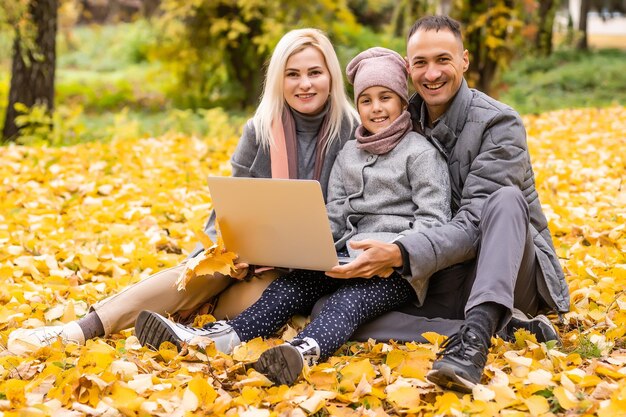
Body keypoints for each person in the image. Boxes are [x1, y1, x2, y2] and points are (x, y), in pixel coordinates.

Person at [7, 28, 358, 353]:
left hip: (303, 274)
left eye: (315, 72)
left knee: (254, 302)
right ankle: (78, 330)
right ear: (279, 80)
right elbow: (226, 209)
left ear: (331, 76)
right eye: (292, 74)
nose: (305, 84)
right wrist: (228, 252)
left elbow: (356, 213)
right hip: (246, 258)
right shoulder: (260, 131)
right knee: (198, 273)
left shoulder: (352, 133)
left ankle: (181, 321)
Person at [134, 47, 452, 386]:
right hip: (345, 258)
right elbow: (337, 212)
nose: (376, 108)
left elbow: (433, 222)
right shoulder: (350, 153)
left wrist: (395, 254)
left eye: (385, 98)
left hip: (394, 271)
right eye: (366, 100)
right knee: (289, 288)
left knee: (347, 302)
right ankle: (215, 338)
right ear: (358, 106)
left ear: (403, 101)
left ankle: (302, 351)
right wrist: (305, 246)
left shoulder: (421, 154)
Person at [322, 15, 570, 393]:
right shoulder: (398, 120)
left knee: (505, 200)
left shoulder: (499, 124)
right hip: (440, 276)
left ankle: (473, 345)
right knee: (331, 312)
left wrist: (399, 252)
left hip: (505, 269)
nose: (432, 73)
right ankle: (488, 327)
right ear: (408, 69)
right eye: (420, 63)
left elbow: (473, 225)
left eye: (443, 59)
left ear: (465, 61)